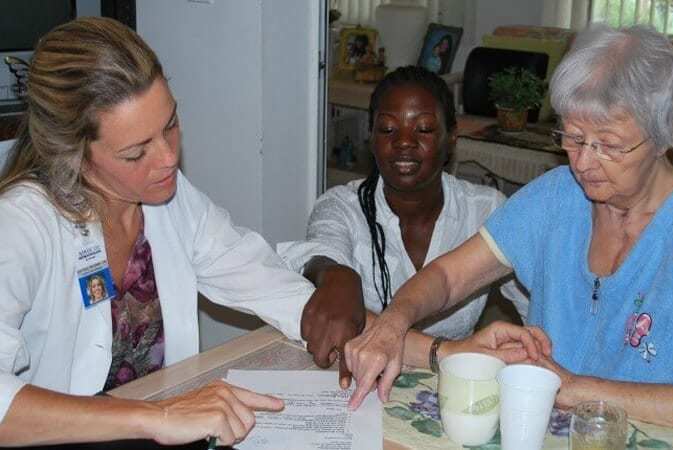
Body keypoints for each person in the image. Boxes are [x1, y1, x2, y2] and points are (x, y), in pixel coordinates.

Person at [0, 17, 548, 447]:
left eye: (170, 124)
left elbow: (285, 296)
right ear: (71, 153)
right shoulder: (22, 225)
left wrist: (445, 357)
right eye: (135, 151)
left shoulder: (169, 203)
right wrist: (155, 417)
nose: (169, 158)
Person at [343, 24, 673, 433]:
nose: (583, 163)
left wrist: (577, 388)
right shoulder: (558, 196)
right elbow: (449, 277)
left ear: (663, 135)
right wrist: (393, 323)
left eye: (609, 145)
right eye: (573, 138)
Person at [280, 66, 529, 386]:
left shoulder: (487, 210)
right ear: (371, 137)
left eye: (423, 129)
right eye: (387, 129)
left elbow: (536, 305)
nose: (404, 143)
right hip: (360, 382)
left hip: (457, 385)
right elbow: (322, 252)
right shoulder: (342, 206)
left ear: (451, 137)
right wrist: (334, 274)